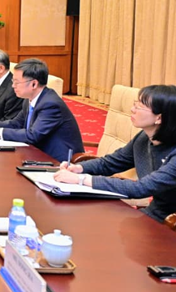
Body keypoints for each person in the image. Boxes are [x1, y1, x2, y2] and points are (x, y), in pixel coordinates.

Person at [54, 85, 176, 222]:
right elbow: (112, 162)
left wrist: (81, 180)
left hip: (171, 222)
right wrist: (80, 168)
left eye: (140, 107)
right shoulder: (144, 138)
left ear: (159, 118)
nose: (132, 109)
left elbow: (140, 188)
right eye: (135, 104)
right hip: (156, 213)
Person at [0, 58, 84, 162]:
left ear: (34, 84)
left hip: (58, 161)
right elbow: (16, 123)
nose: (13, 86)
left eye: (16, 82)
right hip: (36, 154)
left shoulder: (50, 104)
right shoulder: (29, 99)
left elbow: (33, 135)